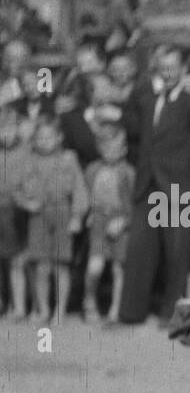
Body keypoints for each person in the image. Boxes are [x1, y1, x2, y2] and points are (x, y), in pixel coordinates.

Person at [118, 45, 190, 325]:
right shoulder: (148, 101)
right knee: (139, 249)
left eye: (173, 68)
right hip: (148, 185)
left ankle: (172, 313)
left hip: (179, 189)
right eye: (163, 68)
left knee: (177, 253)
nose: (168, 73)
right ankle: (132, 312)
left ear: (184, 69)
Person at [16, 109, 90, 325]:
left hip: (63, 215)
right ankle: (43, 309)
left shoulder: (69, 159)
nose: (44, 142)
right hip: (37, 216)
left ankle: (60, 309)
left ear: (59, 138)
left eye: (49, 137)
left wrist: (77, 216)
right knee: (40, 267)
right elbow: (17, 189)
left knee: (61, 266)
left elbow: (79, 190)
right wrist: (26, 203)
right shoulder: (28, 161)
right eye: (40, 138)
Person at [82, 113, 134, 323]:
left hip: (120, 222)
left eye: (116, 147)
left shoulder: (129, 172)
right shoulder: (93, 170)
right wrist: (87, 214)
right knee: (95, 266)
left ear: (124, 148)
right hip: (98, 222)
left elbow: (134, 203)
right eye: (106, 146)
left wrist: (125, 221)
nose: (111, 151)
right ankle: (89, 301)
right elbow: (85, 195)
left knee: (118, 268)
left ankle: (115, 309)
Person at [0, 103, 32, 317]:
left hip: (16, 213)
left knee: (17, 261)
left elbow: (30, 183)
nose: (6, 133)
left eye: (10, 128)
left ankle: (19, 306)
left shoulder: (26, 153)